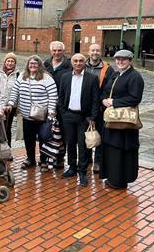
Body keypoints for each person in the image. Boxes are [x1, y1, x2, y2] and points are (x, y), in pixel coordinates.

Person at [101, 50, 144, 189]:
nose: (120, 62)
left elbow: (135, 98)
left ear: (130, 61)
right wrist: (104, 100)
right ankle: (113, 177)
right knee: (112, 149)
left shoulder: (135, 77)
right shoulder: (116, 74)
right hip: (113, 120)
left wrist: (114, 102)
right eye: (118, 59)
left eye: (123, 59)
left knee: (121, 151)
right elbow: (107, 90)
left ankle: (120, 180)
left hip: (124, 123)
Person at [6, 55, 58, 171]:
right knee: (28, 138)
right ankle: (30, 159)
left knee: (44, 138)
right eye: (31, 63)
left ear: (39, 65)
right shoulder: (22, 77)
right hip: (26, 115)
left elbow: (53, 96)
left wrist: (51, 112)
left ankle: (44, 160)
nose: (33, 65)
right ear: (27, 65)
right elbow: (15, 91)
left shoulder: (47, 78)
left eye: (35, 63)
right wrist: (10, 103)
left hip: (42, 116)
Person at [58, 53, 100, 187]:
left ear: (84, 62)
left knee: (83, 145)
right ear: (72, 63)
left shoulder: (92, 78)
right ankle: (72, 167)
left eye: (81, 61)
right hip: (68, 116)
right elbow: (61, 96)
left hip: (84, 117)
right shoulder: (65, 77)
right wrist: (63, 112)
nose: (78, 63)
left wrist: (93, 117)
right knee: (70, 143)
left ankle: (82, 171)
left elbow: (95, 99)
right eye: (75, 61)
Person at [85, 43, 114, 173]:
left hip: (100, 107)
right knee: (86, 133)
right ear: (88, 52)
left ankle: (97, 161)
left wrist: (103, 101)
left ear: (100, 52)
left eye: (97, 50)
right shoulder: (81, 65)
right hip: (85, 107)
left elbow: (109, 88)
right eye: (93, 50)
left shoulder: (107, 69)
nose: (95, 52)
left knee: (100, 135)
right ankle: (87, 158)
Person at [44, 41, 72, 169]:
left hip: (63, 105)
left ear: (63, 51)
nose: (57, 53)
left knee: (62, 132)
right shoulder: (45, 65)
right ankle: (45, 157)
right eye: (54, 50)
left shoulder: (69, 65)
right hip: (47, 104)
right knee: (46, 131)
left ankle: (60, 158)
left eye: (59, 50)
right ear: (51, 51)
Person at [0, 52, 20, 147]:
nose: (10, 63)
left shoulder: (18, 75)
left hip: (11, 106)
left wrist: (15, 105)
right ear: (5, 62)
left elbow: (18, 91)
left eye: (12, 61)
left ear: (15, 63)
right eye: (8, 61)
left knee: (7, 128)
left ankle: (7, 149)